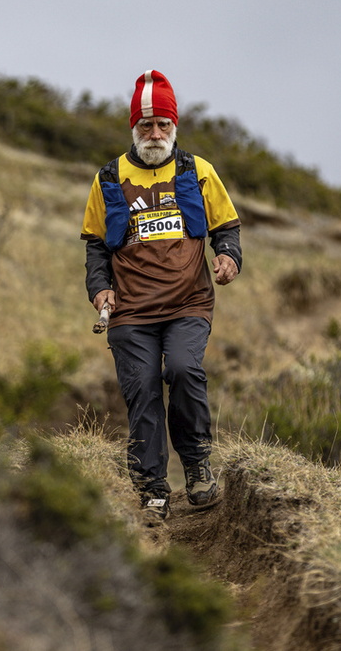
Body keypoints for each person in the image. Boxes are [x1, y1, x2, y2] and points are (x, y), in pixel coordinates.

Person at [80, 70, 242, 524]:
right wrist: (100, 288)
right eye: (146, 125)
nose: (155, 134)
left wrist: (228, 256)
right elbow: (95, 245)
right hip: (130, 311)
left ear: (175, 126)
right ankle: (152, 489)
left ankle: (197, 469)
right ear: (134, 128)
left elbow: (226, 227)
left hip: (188, 303)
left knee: (186, 370)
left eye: (163, 125)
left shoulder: (197, 171)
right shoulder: (109, 177)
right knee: (143, 389)